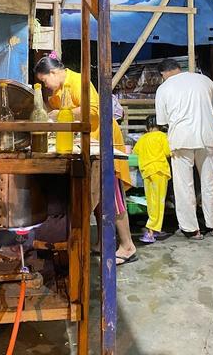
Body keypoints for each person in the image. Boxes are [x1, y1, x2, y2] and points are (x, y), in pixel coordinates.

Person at [34, 52, 137, 265]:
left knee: (112, 193)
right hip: (90, 144)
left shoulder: (78, 80)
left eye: (45, 81)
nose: (46, 86)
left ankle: (128, 246)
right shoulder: (59, 89)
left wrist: (63, 113)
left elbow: (94, 110)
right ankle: (102, 241)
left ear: (53, 72)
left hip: (105, 139)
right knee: (99, 197)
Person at [155, 59, 213, 240]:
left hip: (181, 140)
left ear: (163, 74)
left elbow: (162, 122)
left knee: (184, 185)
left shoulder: (163, 89)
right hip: (207, 136)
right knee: (210, 182)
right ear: (179, 68)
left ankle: (191, 230)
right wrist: (208, 118)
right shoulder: (203, 80)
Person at [133, 116, 171, 244]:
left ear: (146, 127)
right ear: (160, 125)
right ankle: (151, 231)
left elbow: (135, 151)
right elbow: (168, 152)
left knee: (151, 202)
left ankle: (155, 228)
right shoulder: (162, 136)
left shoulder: (142, 138)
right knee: (159, 202)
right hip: (159, 171)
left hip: (147, 172)